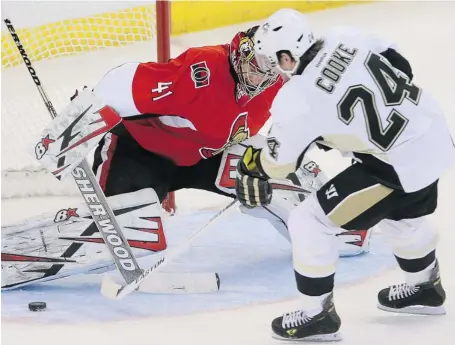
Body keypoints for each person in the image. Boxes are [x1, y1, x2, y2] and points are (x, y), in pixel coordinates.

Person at [2, 26, 370, 289]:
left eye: (275, 67)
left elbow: (310, 119)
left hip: (209, 153)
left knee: (276, 177)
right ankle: (13, 255)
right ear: (245, 49)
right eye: (259, 63)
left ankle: (332, 224)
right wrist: (73, 126)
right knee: (134, 234)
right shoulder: (202, 71)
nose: (264, 75)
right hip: (140, 153)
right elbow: (122, 82)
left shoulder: (283, 82)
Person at [235, 8, 455, 342]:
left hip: (396, 165)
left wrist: (253, 164)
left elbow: (279, 162)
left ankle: (316, 315)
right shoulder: (343, 36)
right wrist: (350, 126)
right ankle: (425, 289)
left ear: (286, 56)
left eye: (271, 61)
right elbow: (399, 63)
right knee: (400, 217)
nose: (270, 70)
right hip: (432, 132)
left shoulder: (296, 99)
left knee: (309, 221)